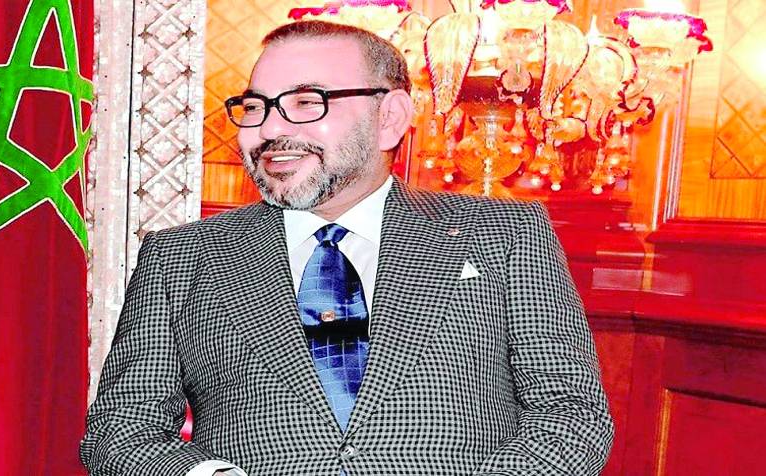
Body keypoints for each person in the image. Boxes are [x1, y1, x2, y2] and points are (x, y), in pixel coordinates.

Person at [81, 20, 613, 476]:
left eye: (306, 103)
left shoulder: (504, 234)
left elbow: (571, 416)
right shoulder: (182, 256)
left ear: (389, 118)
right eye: (255, 106)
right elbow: (120, 433)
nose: (268, 129)